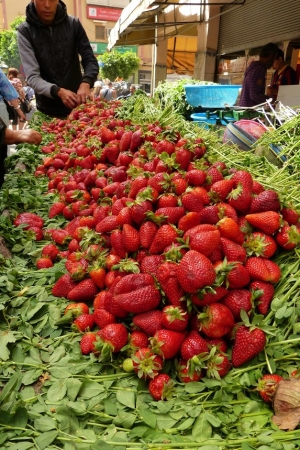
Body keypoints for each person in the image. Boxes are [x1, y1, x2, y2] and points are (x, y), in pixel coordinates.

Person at [17, 0, 99, 118]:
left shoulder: (73, 24)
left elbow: (90, 60)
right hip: (47, 113)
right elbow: (33, 77)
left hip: (79, 110)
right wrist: (58, 91)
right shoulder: (25, 31)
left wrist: (86, 83)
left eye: (52, 0)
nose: (47, 5)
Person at [239, 42, 280, 108]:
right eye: (273, 58)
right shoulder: (259, 70)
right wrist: (271, 100)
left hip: (245, 108)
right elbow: (255, 95)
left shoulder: (253, 67)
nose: (273, 62)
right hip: (250, 111)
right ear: (270, 56)